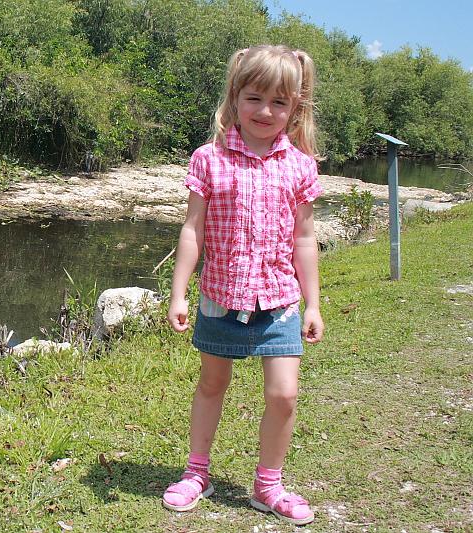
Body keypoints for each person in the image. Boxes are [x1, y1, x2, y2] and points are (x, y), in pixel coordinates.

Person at [161, 44, 324, 526]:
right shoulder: (209, 159)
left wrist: (313, 303)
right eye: (254, 98)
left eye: (279, 102)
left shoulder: (300, 165)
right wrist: (178, 291)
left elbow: (305, 238)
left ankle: (267, 485)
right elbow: (192, 229)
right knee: (212, 384)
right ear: (235, 97)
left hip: (280, 303)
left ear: (295, 107)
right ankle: (197, 473)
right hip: (219, 299)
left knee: (284, 395)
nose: (265, 111)